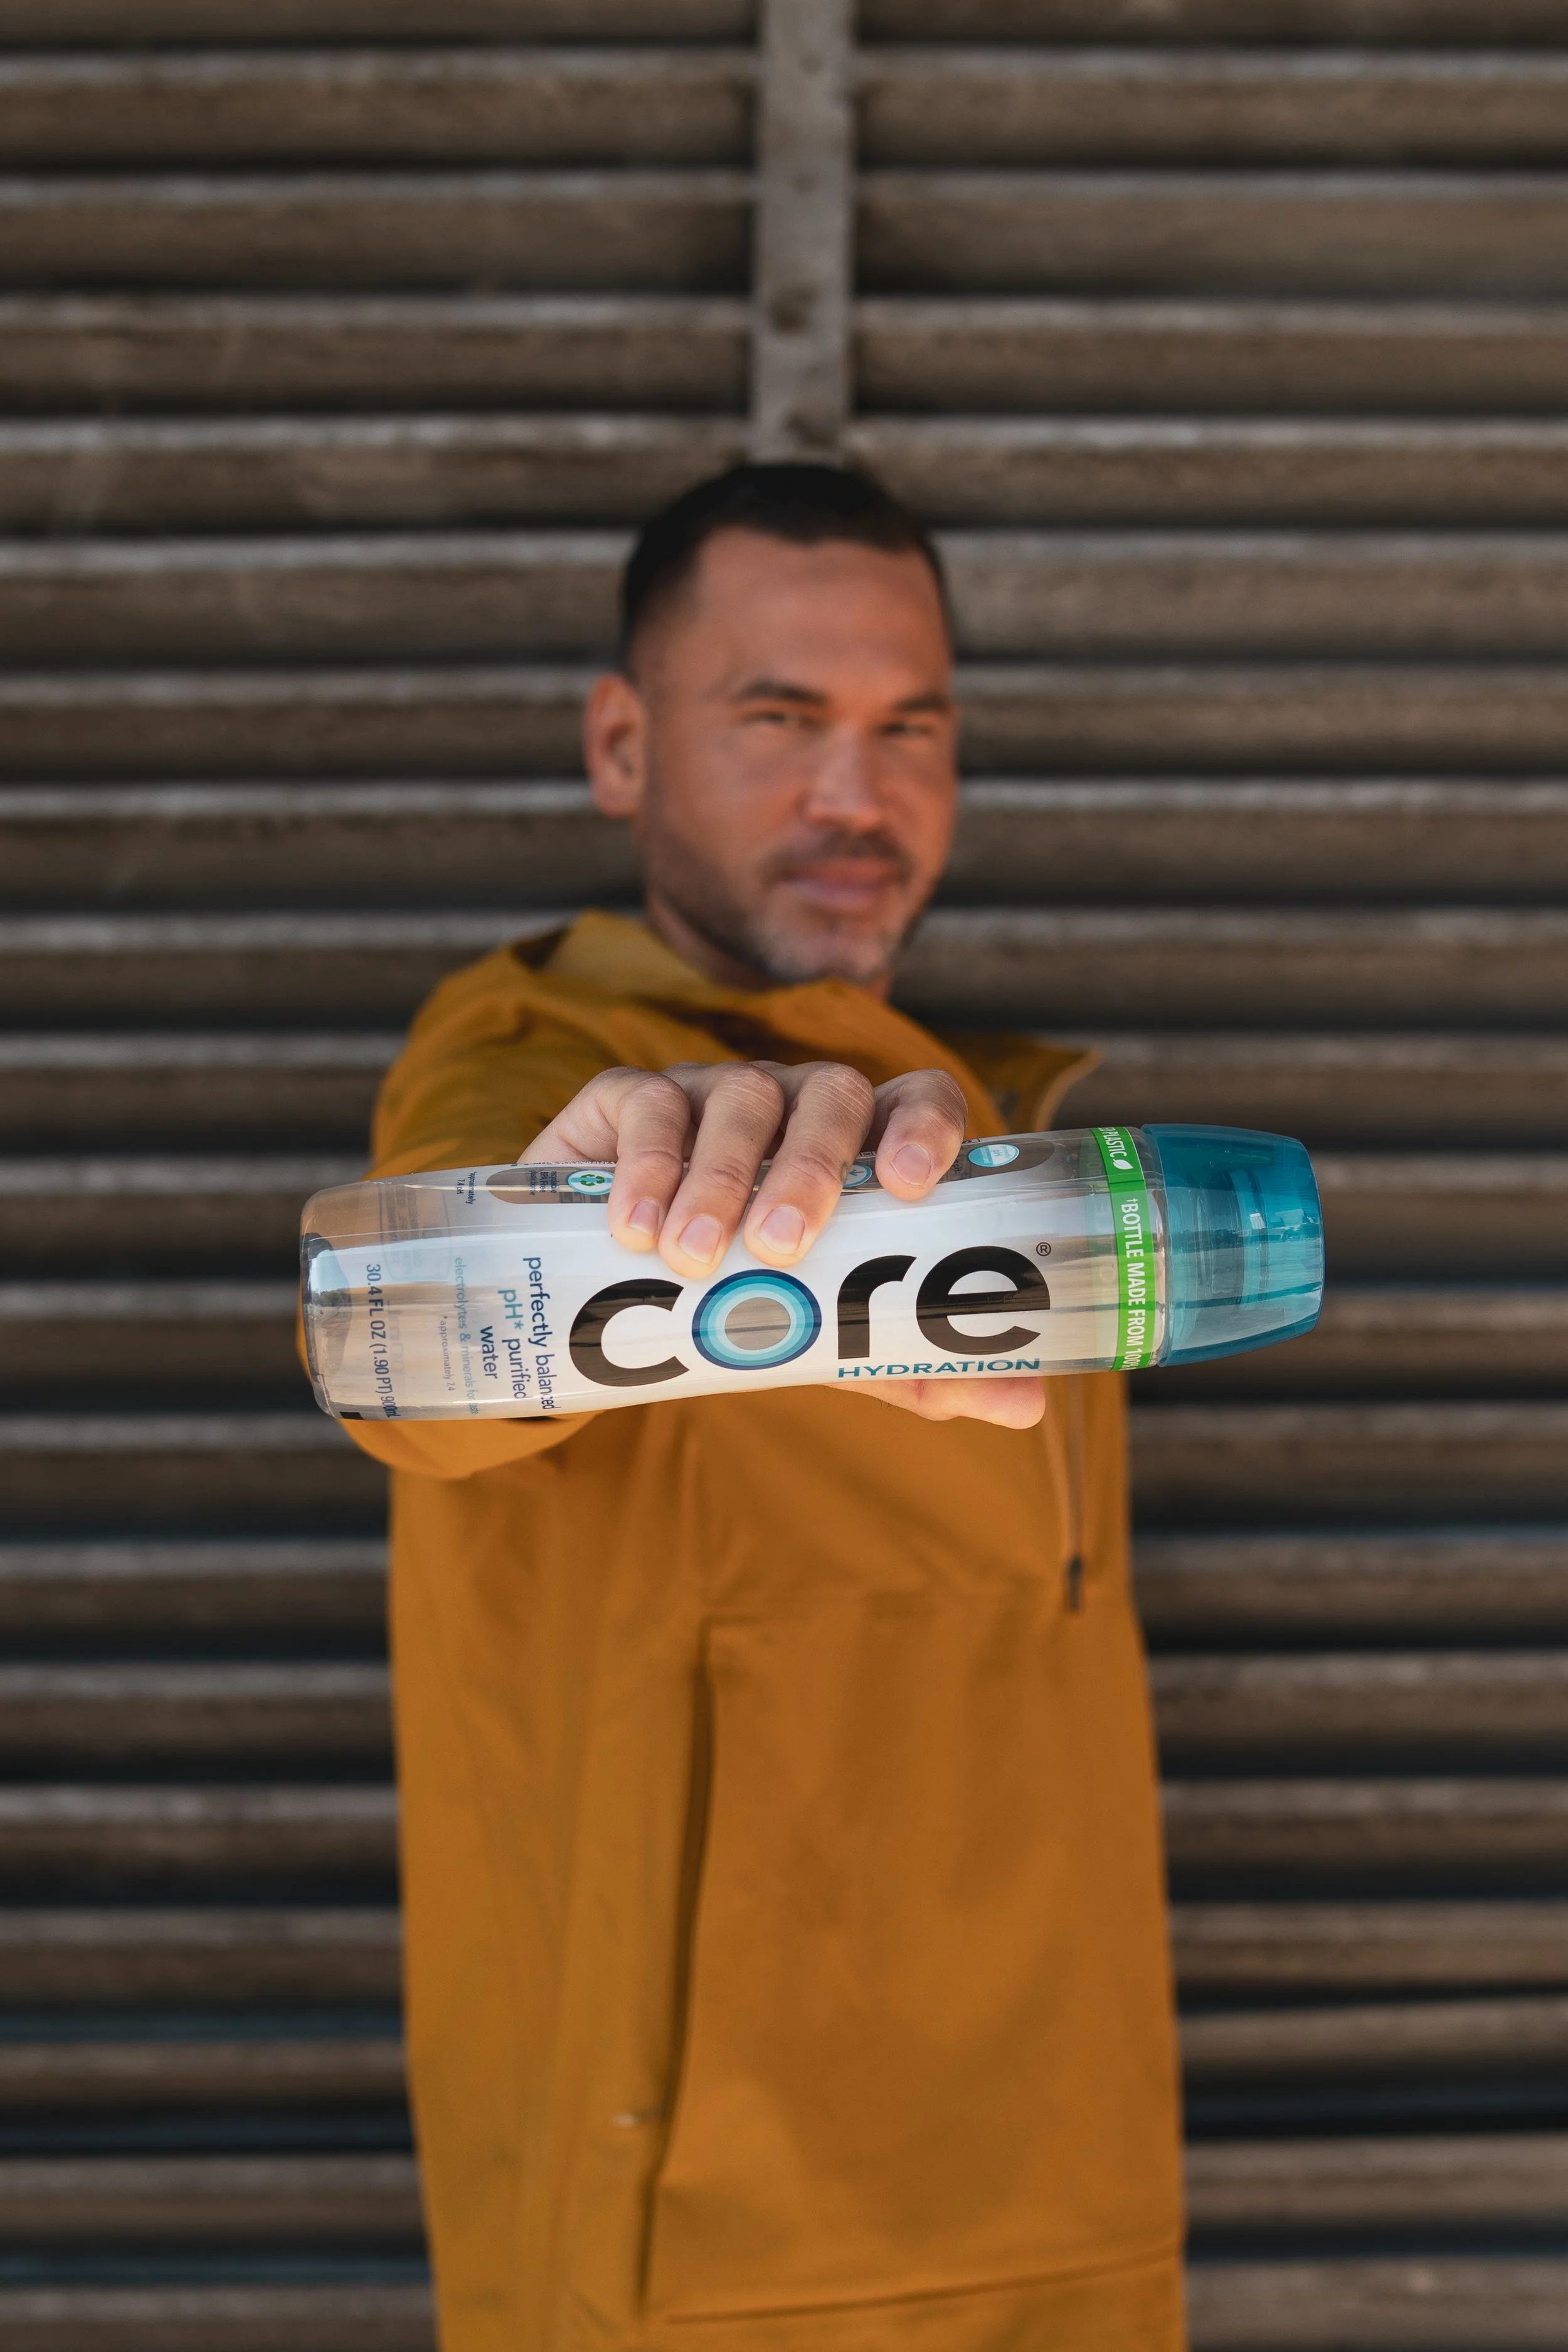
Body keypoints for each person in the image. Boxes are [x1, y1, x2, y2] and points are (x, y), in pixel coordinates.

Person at [339, 465, 1184, 2351]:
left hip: (1069, 2192)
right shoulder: (533, 1065)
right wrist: (590, 1205)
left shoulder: (968, 1123)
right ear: (623, 747)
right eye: (781, 718)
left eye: (911, 727)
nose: (855, 795)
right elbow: (414, 1340)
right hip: (704, 2246)